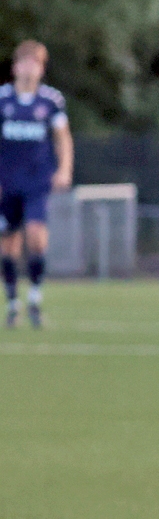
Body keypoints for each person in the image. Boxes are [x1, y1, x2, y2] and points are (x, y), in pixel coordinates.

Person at [0, 41, 73, 329]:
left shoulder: (51, 101)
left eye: (36, 64)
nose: (30, 69)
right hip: (7, 183)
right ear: (16, 67)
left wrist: (64, 169)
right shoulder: (3, 99)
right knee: (8, 244)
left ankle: (34, 299)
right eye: (26, 62)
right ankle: (12, 303)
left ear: (42, 69)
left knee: (36, 236)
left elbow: (63, 138)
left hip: (37, 182)